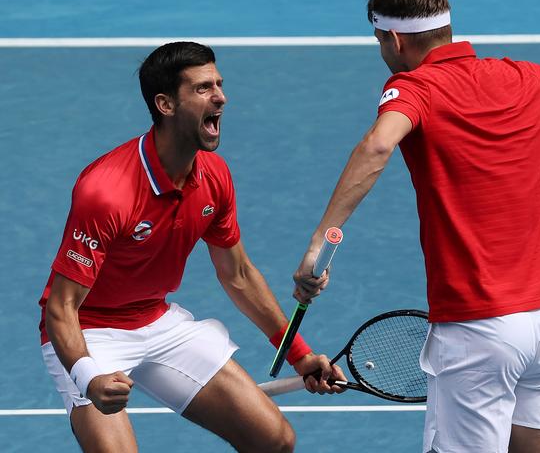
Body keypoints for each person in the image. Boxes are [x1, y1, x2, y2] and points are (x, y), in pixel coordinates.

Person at [293, 0, 540, 453]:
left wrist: (318, 244)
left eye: (378, 40)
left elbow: (377, 147)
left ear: (393, 38)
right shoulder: (525, 76)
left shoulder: (413, 88)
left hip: (477, 329)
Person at [39, 41, 343, 453]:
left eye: (218, 84)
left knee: (274, 441)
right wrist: (88, 374)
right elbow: (61, 307)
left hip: (157, 320)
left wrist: (301, 356)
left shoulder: (214, 175)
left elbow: (237, 275)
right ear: (165, 104)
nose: (221, 96)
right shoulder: (107, 192)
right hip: (90, 331)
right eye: (203, 88)